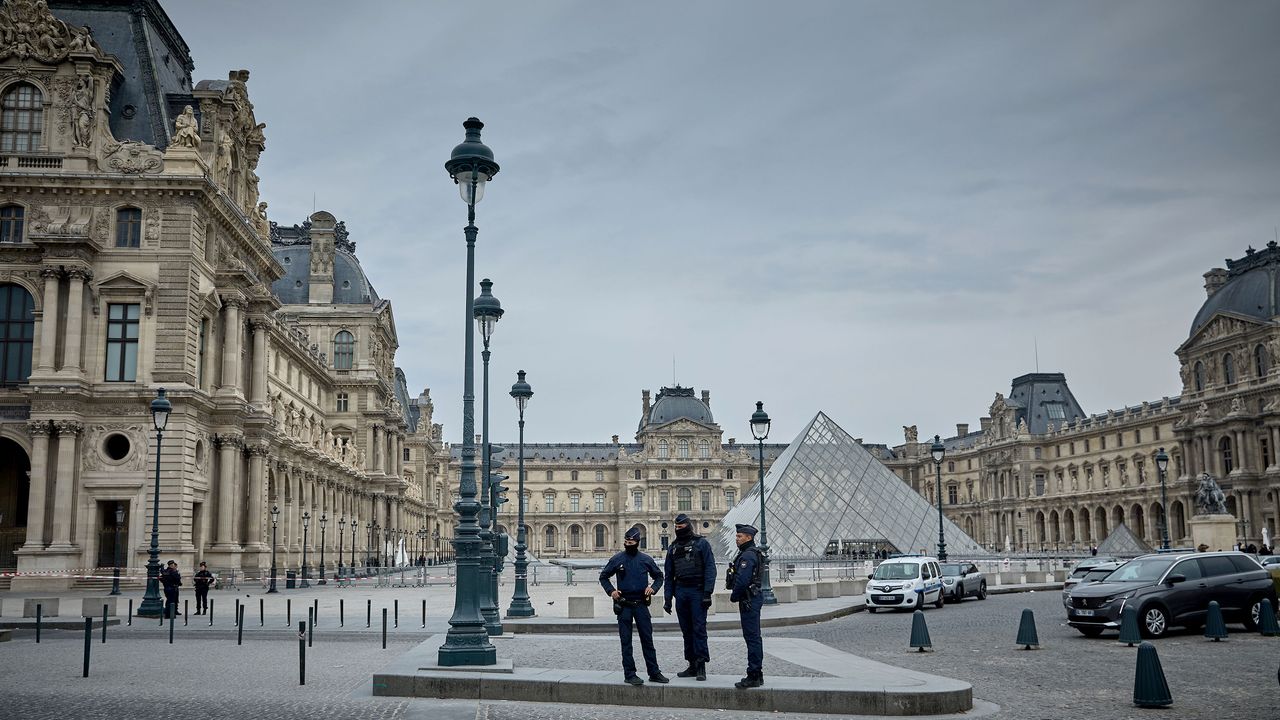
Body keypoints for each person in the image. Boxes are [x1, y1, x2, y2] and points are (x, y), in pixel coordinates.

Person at [599, 527, 667, 686]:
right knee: (626, 641)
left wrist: (653, 588)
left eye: (631, 542)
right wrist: (611, 591)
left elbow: (659, 577)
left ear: (637, 542)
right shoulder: (617, 559)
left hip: (641, 605)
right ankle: (629, 674)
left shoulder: (645, 559)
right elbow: (603, 577)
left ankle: (654, 672)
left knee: (647, 640)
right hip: (624, 605)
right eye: (626, 542)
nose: (628, 544)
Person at [663, 513, 716, 681]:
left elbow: (710, 569)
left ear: (688, 526)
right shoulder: (673, 548)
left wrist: (708, 593)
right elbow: (669, 574)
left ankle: (701, 665)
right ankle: (692, 664)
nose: (678, 529)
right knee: (686, 630)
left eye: (681, 527)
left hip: (697, 591)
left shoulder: (702, 544)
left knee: (699, 629)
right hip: (681, 591)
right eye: (676, 527)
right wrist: (667, 598)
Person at [728, 523, 765, 689]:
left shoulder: (748, 556)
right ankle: (758, 674)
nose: (737, 539)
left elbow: (742, 580)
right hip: (753, 598)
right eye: (737, 536)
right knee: (754, 637)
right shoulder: (751, 553)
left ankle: (754, 674)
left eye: (739, 536)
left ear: (748, 538)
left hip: (748, 600)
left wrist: (734, 596)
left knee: (752, 638)